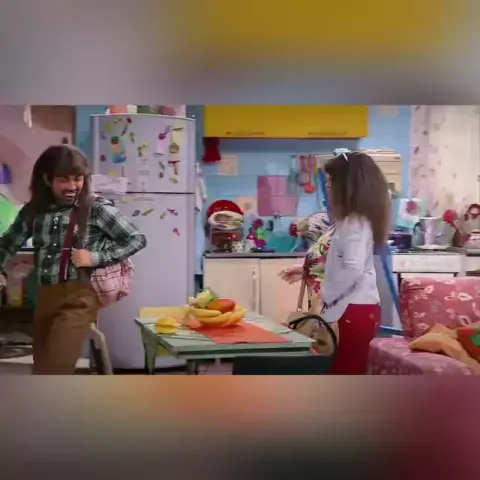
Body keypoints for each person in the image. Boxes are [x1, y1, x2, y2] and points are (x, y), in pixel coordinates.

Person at [0, 144, 147, 374]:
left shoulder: (95, 208)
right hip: (44, 298)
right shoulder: (33, 211)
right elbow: (7, 243)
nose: (72, 186)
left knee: (54, 370)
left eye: (77, 179)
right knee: (41, 368)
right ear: (47, 179)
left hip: (79, 299)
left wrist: (96, 257)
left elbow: (136, 239)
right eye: (63, 180)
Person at [280, 151, 390, 374]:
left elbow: (353, 268)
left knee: (345, 371)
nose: (328, 188)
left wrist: (325, 294)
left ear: (347, 187)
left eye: (331, 182)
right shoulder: (353, 222)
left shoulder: (354, 224)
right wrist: (306, 270)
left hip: (353, 310)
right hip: (353, 309)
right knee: (343, 370)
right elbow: (343, 262)